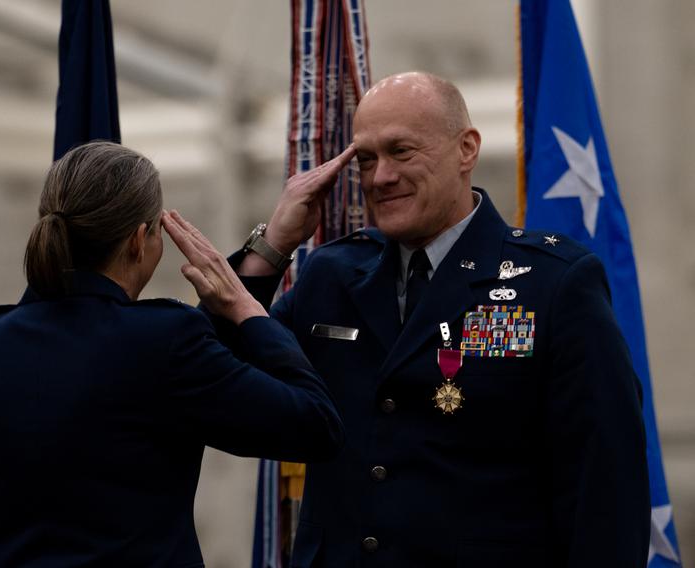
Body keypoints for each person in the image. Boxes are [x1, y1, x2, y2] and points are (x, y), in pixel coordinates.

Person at [229, 72, 649, 566]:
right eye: (366, 160)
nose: (380, 177)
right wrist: (270, 249)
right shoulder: (332, 276)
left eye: (401, 152)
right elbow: (215, 388)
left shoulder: (554, 284)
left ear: (466, 149)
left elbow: (606, 488)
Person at [0, 141, 344, 567]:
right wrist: (244, 308)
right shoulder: (165, 344)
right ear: (140, 240)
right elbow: (314, 423)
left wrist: (267, 253)